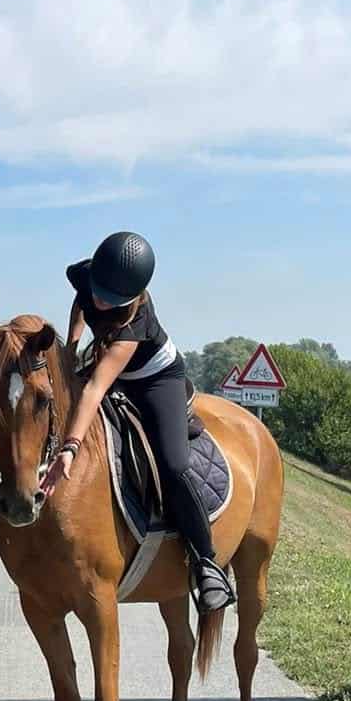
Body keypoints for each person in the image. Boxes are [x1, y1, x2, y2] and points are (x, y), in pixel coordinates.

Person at [41, 230, 236, 614]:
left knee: (174, 464)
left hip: (154, 378)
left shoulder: (132, 329)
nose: (100, 300)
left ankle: (207, 562)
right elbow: (81, 305)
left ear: (130, 298)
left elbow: (95, 389)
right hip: (108, 364)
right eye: (98, 290)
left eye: (110, 299)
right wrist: (72, 344)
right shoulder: (87, 278)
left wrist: (70, 447)